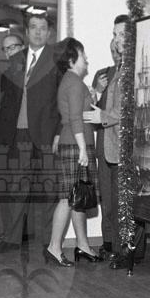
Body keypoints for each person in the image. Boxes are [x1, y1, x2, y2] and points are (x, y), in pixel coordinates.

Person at [0, 12, 59, 254]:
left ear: (48, 32)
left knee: (49, 191)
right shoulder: (15, 61)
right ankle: (11, 238)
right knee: (16, 188)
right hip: (18, 134)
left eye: (43, 27)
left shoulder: (56, 61)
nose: (38, 32)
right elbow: (7, 101)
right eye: (33, 27)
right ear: (27, 32)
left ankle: (50, 243)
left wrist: (59, 132)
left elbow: (61, 101)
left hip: (47, 135)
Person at [46, 37, 101, 266]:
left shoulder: (71, 81)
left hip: (74, 144)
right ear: (71, 59)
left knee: (78, 197)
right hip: (76, 146)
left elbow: (72, 115)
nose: (86, 58)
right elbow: (76, 119)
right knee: (67, 198)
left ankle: (83, 245)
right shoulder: (75, 83)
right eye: (82, 53)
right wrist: (82, 150)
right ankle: (54, 247)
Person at [86, 14, 126, 263]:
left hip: (122, 148)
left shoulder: (132, 72)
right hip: (105, 147)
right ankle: (109, 244)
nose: (117, 40)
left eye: (121, 34)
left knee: (121, 202)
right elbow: (92, 112)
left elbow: (125, 112)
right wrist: (97, 92)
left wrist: (101, 115)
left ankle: (123, 251)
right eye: (114, 35)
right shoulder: (107, 74)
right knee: (107, 201)